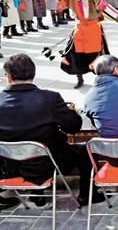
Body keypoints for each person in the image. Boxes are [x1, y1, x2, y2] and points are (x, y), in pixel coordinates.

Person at [0, 54, 102, 207]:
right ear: (33, 74)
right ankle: (87, 195)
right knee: (85, 150)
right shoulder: (49, 98)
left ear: (8, 78)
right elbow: (73, 126)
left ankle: (35, 195)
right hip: (50, 164)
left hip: (10, 166)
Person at [60, 0, 110, 88]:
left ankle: (100, 80)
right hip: (80, 27)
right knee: (75, 54)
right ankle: (79, 78)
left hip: (93, 27)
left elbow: (101, 5)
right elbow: (63, 0)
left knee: (97, 55)